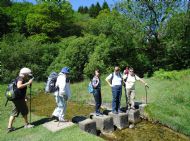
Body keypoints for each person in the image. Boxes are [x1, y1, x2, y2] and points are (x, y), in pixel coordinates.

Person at [7, 67, 34, 133]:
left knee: (14, 112)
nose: (28, 76)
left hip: (15, 98)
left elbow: (20, 89)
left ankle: (9, 127)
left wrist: (25, 96)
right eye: (28, 74)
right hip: (19, 99)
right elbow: (19, 86)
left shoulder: (19, 78)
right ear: (25, 74)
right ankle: (26, 125)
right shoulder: (21, 78)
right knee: (24, 111)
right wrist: (28, 83)